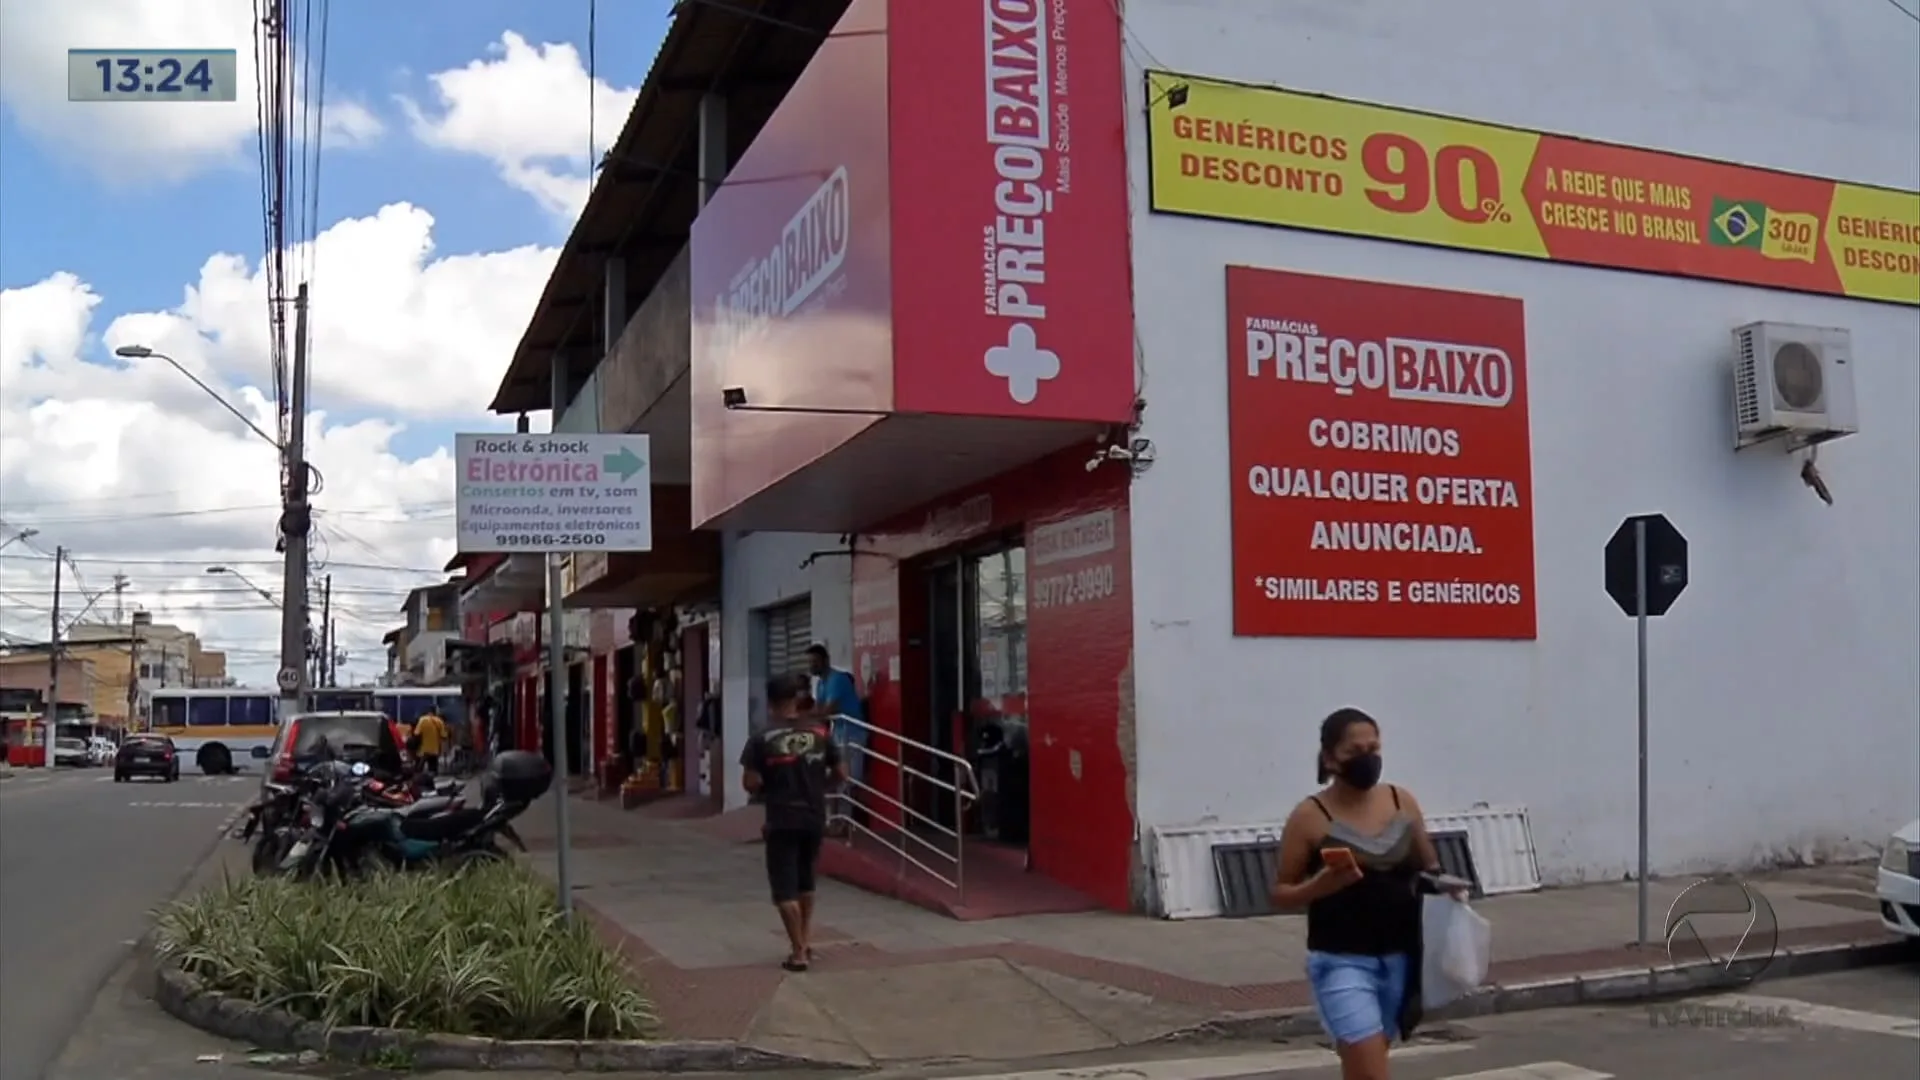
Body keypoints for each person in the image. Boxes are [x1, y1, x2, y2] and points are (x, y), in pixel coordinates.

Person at [1269, 708, 1464, 1080]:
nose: (1367, 758)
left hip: (1401, 959)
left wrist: (1447, 888)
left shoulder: (1400, 801)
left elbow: (1430, 868)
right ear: (1329, 758)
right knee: (1372, 1073)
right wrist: (1319, 886)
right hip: (1341, 962)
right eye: (1353, 751)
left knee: (1367, 1065)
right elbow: (1280, 892)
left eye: (1373, 748)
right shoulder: (1311, 816)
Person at [739, 673, 846, 972]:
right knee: (805, 880)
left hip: (782, 818)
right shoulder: (820, 733)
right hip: (813, 816)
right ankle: (804, 940)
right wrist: (818, 787)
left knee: (784, 889)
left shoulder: (761, 738)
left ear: (771, 702)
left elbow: (750, 782)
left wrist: (768, 787)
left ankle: (798, 953)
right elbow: (841, 774)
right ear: (797, 700)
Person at [805, 644, 867, 789]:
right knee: (837, 775)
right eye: (809, 662)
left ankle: (852, 810)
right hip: (838, 732)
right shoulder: (821, 683)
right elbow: (818, 709)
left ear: (826, 660)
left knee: (850, 778)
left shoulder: (837, 679)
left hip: (852, 733)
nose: (811, 666)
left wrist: (803, 717)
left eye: (815, 661)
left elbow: (827, 710)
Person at [412, 706, 450, 776]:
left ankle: (418, 780)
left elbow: (416, 734)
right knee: (433, 770)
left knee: (419, 769)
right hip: (435, 750)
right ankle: (432, 782)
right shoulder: (439, 721)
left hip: (423, 750)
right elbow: (444, 736)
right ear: (435, 712)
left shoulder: (422, 720)